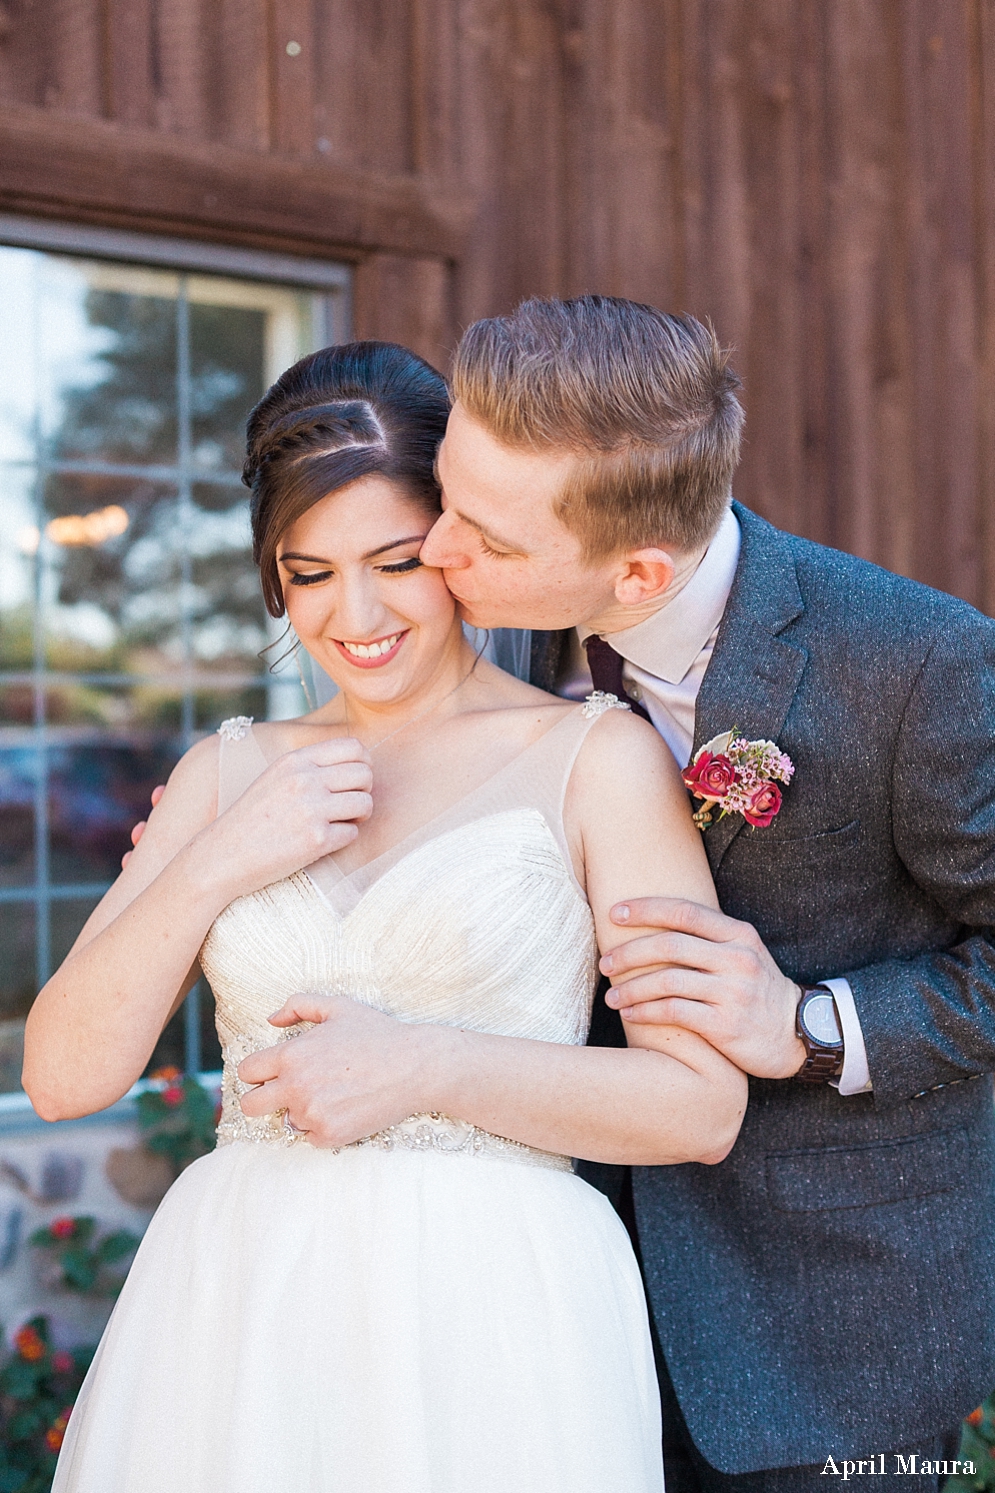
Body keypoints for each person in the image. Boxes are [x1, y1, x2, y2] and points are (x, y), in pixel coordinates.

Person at [214, 299, 995, 1490]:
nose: (434, 552)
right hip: (548, 1302)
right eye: (445, 497)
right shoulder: (496, 616)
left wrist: (810, 1022)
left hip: (832, 1324)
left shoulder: (914, 662)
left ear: (635, 569)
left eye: (477, 533)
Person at [24, 340, 746, 1493]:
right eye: (305, 573)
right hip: (238, 1308)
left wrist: (422, 1063)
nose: (351, 614)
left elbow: (698, 1102)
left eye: (396, 560)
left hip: (498, 1315)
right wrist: (217, 857)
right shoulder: (227, 777)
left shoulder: (590, 757)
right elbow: (62, 1075)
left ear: (458, 542)